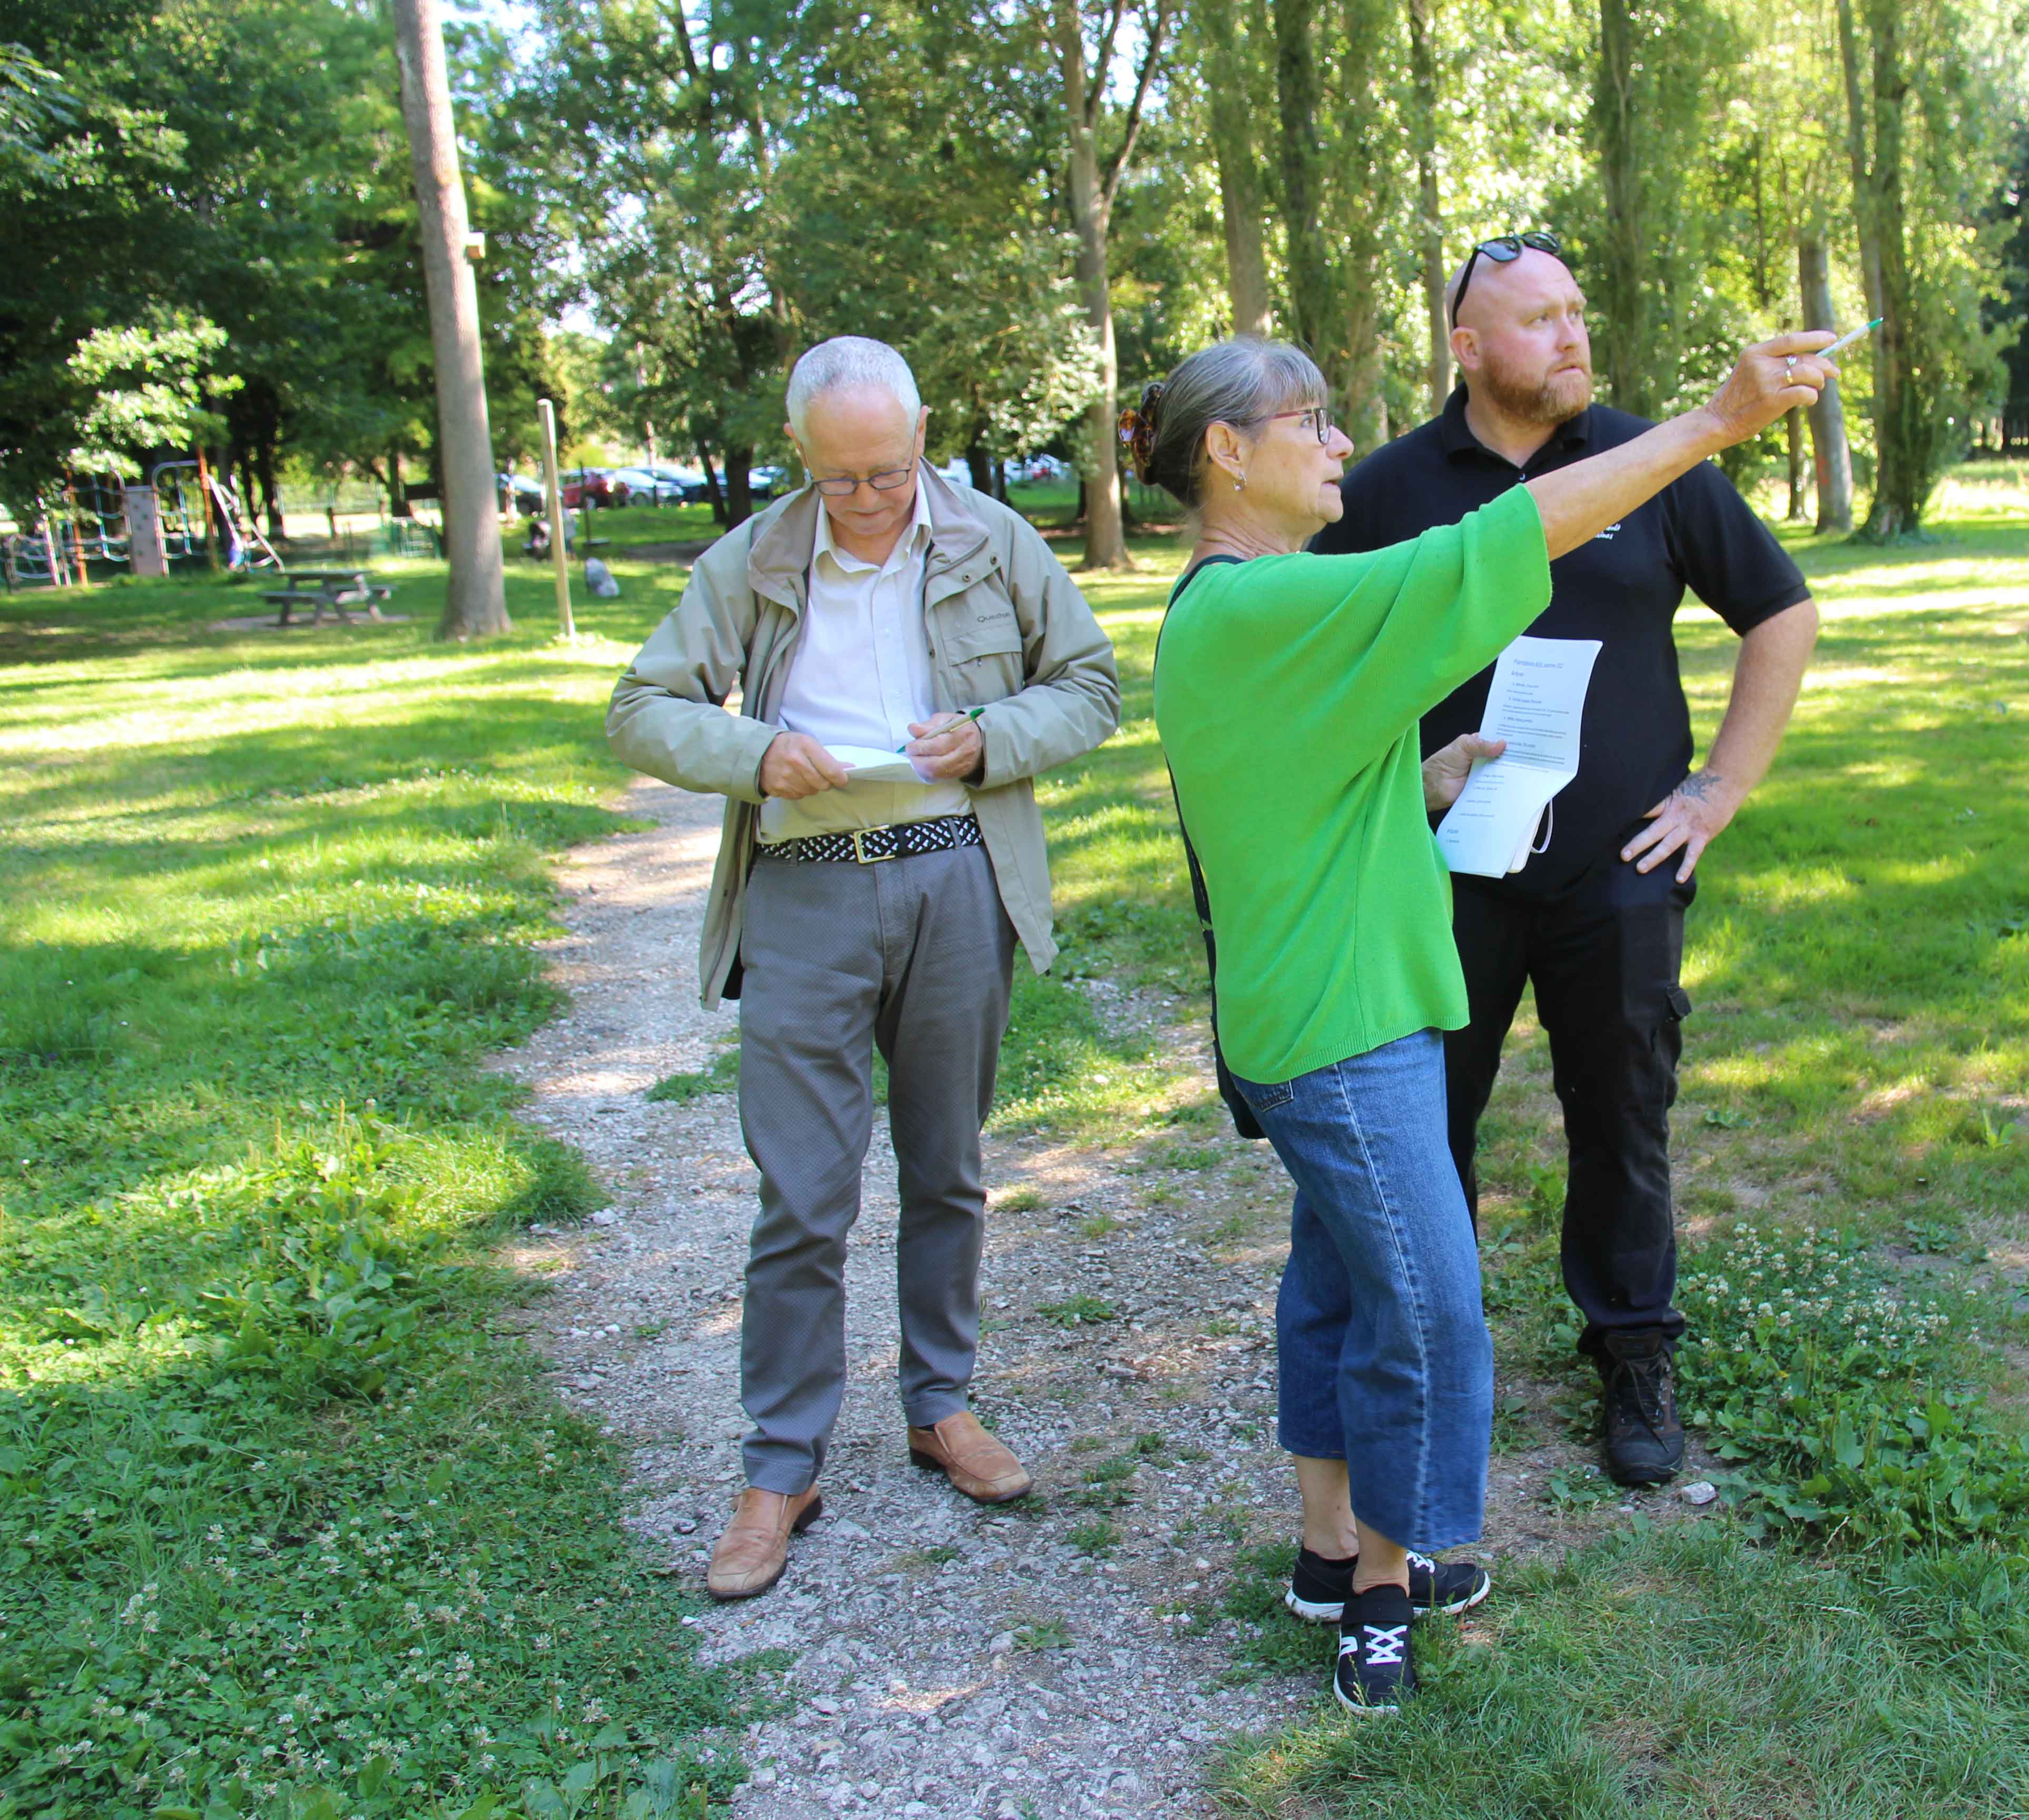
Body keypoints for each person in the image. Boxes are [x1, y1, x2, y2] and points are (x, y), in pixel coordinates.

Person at [1135, 325, 1831, 1710]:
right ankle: (1393, 1587)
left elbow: (1291, 794)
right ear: (1228, 451)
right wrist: (1709, 420)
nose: (1340, 443)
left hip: (1309, 1015)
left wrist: (1421, 774)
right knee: (1431, 1311)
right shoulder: (1269, 607)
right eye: (1311, 420)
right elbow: (1495, 546)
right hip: (1345, 1031)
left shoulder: (1236, 613)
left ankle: (1333, 1546)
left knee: (1335, 1286)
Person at [605, 336, 1120, 1601]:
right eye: (840, 480)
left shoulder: (995, 540)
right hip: (806, 892)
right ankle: (781, 1466)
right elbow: (640, 706)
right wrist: (754, 754)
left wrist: (990, 738)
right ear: (803, 459)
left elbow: (1094, 686)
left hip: (955, 875)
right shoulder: (757, 555)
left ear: (922, 434)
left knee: (948, 1163)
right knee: (803, 1192)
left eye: (888, 472)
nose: (869, 501)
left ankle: (940, 1404)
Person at [1309, 235, 1821, 1488]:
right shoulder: (1387, 491)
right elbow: (1316, 670)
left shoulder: (1655, 461)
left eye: (1579, 313)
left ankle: (1634, 1350)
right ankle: (1432, 1351)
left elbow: (1782, 611)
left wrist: (1718, 790)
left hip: (1617, 868)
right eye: (1539, 320)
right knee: (1427, 1128)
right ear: (1469, 349)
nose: (1574, 337)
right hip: (1437, 875)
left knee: (1626, 1115)